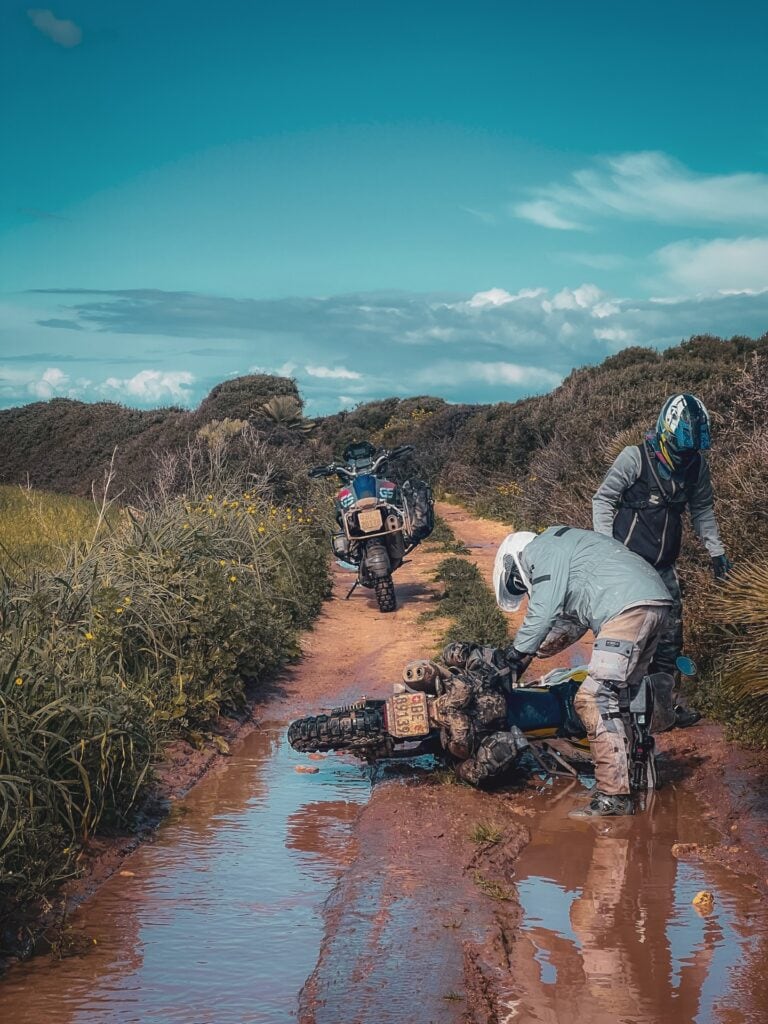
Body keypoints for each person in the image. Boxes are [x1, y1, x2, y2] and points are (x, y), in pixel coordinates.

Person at [493, 526, 672, 817]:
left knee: (594, 699)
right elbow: (568, 627)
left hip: (624, 607)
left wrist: (513, 657)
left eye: (518, 583)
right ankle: (641, 781)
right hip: (653, 601)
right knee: (625, 699)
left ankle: (613, 797)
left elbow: (543, 612)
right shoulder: (570, 553)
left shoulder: (542, 549)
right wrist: (527, 657)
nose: (524, 588)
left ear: (514, 561)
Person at [592, 393, 730, 727]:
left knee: (670, 638)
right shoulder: (634, 459)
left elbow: (702, 509)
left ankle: (663, 710)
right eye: (681, 450)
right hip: (628, 566)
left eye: (691, 451)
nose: (686, 457)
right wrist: (606, 550)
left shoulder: (696, 465)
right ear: (666, 436)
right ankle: (617, 707)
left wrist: (716, 551)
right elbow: (603, 499)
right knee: (626, 638)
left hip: (665, 567)